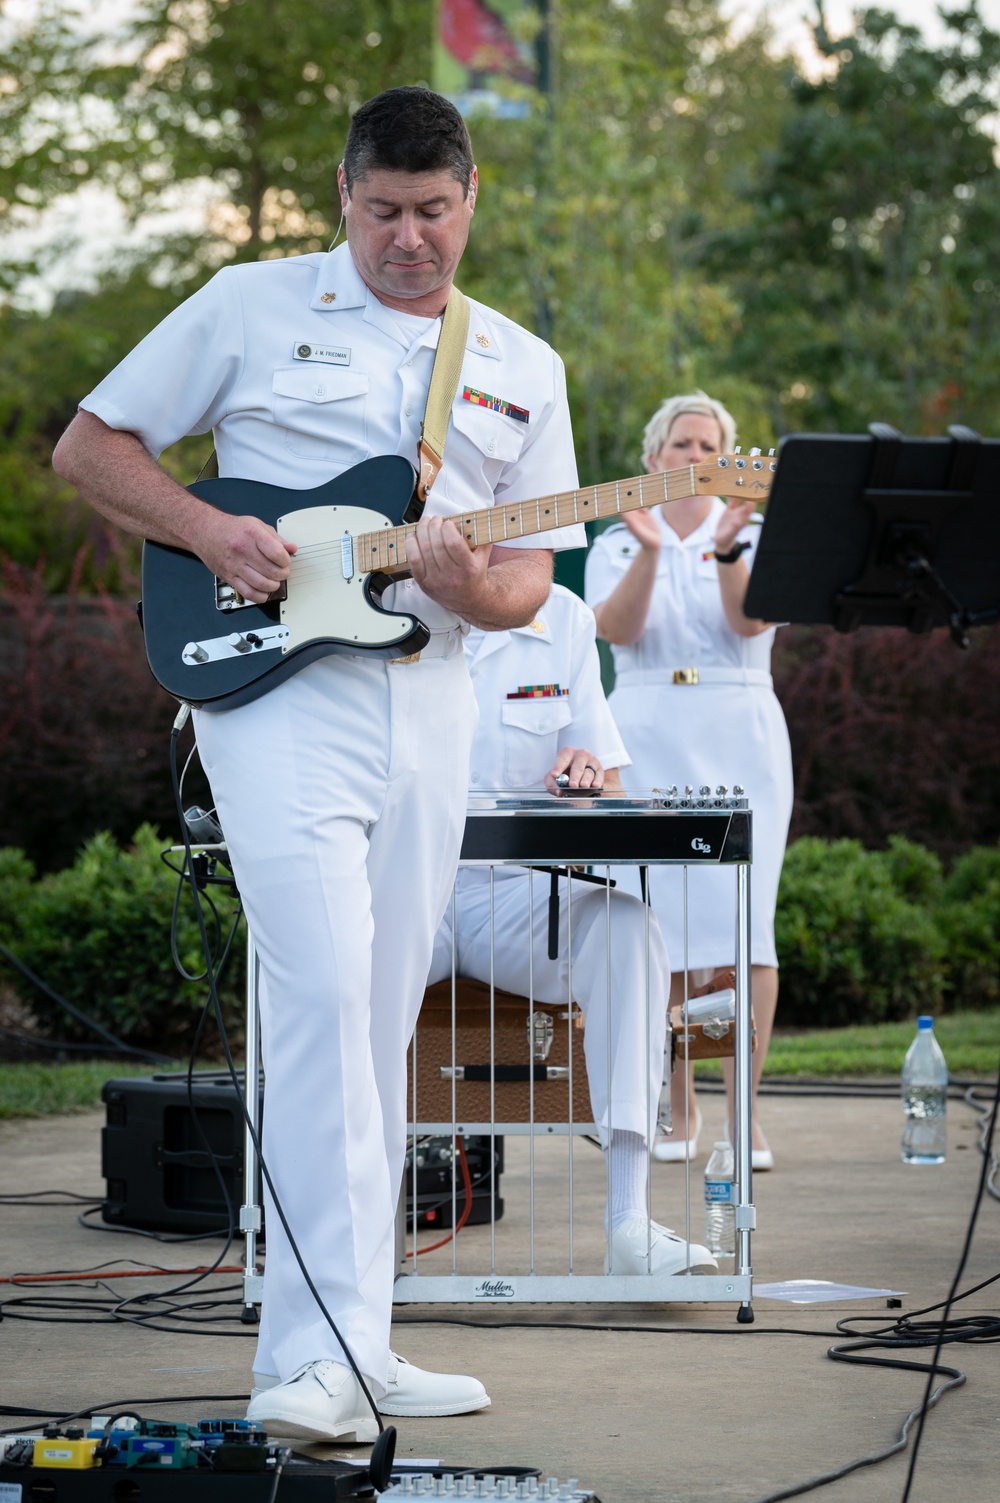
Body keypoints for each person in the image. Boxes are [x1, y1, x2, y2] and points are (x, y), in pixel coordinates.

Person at [52, 87, 586, 1442]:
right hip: (273, 699)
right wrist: (207, 527)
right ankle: (299, 1358)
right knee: (321, 998)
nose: (412, 238)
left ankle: (360, 1337)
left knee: (380, 1021)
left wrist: (483, 584)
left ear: (472, 199)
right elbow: (89, 444)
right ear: (342, 191)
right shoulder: (249, 302)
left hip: (434, 696)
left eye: (436, 211)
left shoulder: (520, 359)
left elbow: (531, 582)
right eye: (386, 210)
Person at [425, 584, 717, 1274]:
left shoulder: (563, 616)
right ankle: (344, 1230)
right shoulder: (394, 597)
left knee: (629, 929)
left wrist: (587, 775)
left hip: (523, 891)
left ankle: (628, 1224)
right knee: (343, 950)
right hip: (413, 886)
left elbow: (607, 782)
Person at [584, 392, 793, 1172]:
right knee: (660, 923)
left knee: (744, 926)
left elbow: (748, 625)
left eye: (709, 443)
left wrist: (730, 549)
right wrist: (648, 549)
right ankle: (680, 1105)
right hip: (644, 727)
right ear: (653, 458)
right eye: (680, 443)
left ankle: (745, 1115)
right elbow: (617, 629)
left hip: (738, 728)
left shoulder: (758, 532)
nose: (693, 455)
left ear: (729, 458)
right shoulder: (614, 535)